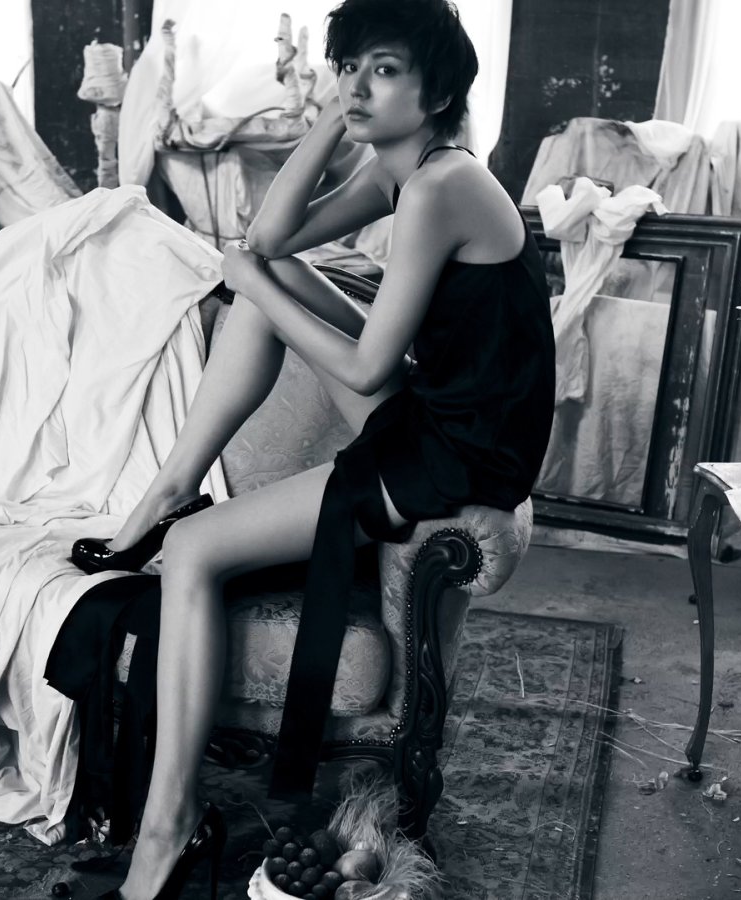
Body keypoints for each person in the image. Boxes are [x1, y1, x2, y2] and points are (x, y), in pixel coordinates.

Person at [71, 1, 554, 897]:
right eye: (348, 67)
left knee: (193, 550)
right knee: (272, 276)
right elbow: (268, 240)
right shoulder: (405, 169)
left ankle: (167, 833)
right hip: (441, 411)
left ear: (437, 92)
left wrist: (250, 281)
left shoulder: (442, 186)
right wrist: (332, 119)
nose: (358, 86)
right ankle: (171, 485)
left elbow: (366, 369)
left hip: (457, 451)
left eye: (383, 69)